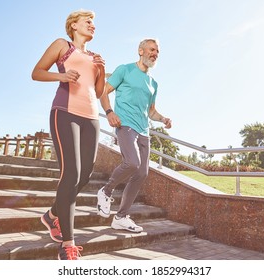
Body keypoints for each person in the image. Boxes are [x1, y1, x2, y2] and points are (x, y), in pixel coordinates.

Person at [31, 9, 105, 260]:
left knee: (85, 174)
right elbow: (37, 72)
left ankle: (52, 214)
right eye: (88, 21)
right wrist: (61, 75)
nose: (93, 25)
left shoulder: (94, 56)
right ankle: (68, 244)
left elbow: (97, 91)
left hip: (91, 117)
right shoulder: (63, 45)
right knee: (70, 173)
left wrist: (101, 71)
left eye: (94, 22)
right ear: (73, 25)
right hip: (65, 112)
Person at [97, 38, 172, 233]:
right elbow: (103, 92)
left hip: (143, 130)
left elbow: (151, 111)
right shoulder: (125, 70)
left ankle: (121, 217)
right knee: (132, 163)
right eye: (152, 49)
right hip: (125, 124)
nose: (155, 53)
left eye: (157, 51)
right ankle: (106, 191)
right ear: (141, 51)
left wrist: (163, 119)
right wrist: (109, 112)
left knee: (141, 173)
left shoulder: (153, 83)